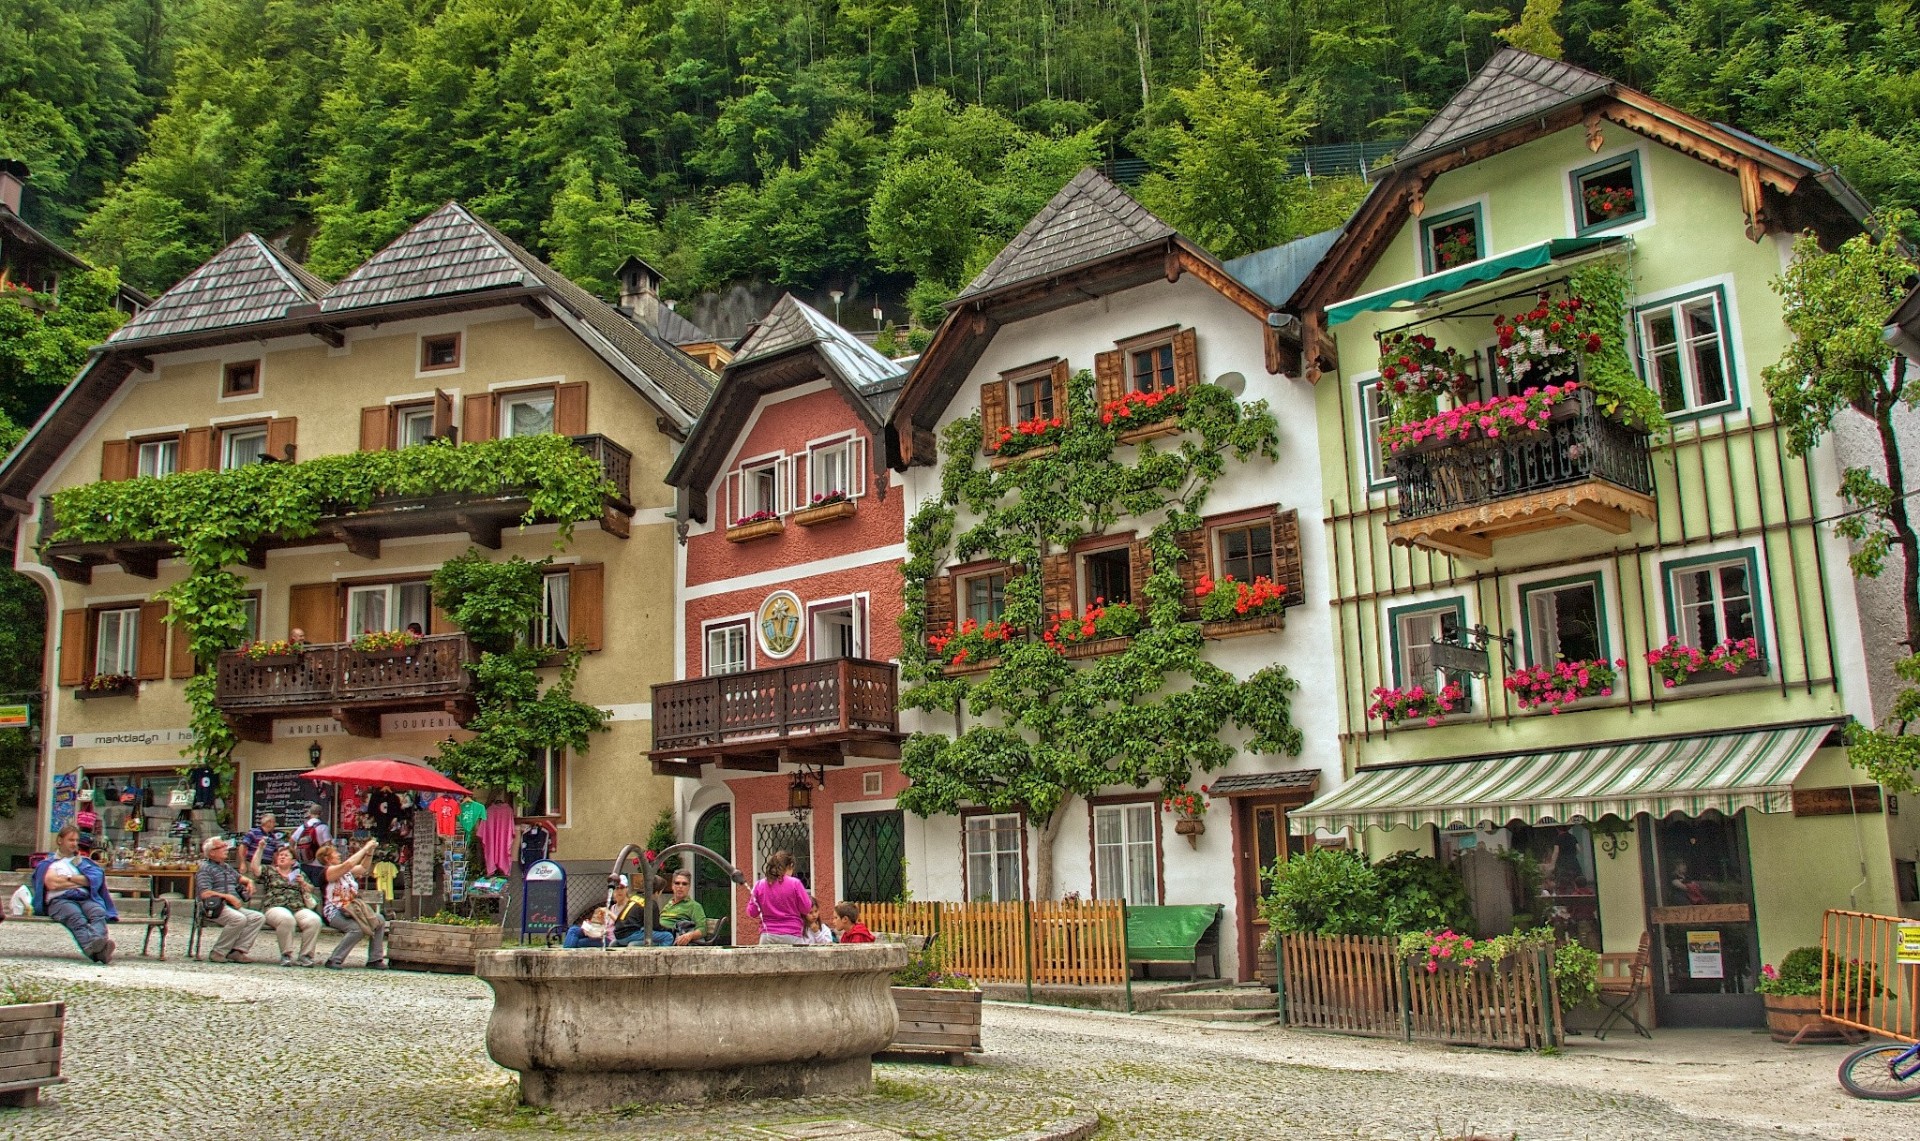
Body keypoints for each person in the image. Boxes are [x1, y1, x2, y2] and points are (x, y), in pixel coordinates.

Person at [32, 825, 116, 963]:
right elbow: (52, 884)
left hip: (83, 898)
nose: (75, 844)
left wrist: (68, 879)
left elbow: (94, 879)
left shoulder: (83, 863)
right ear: (60, 840)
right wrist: (81, 881)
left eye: (76, 840)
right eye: (71, 840)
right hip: (59, 900)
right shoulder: (50, 863)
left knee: (98, 911)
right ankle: (95, 950)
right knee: (75, 917)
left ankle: (97, 945)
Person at [316, 839, 387, 969]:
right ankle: (334, 959)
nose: (338, 854)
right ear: (327, 858)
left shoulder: (346, 872)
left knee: (380, 920)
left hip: (353, 909)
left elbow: (363, 868)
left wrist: (369, 852)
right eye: (335, 853)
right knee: (356, 929)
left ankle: (375, 959)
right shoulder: (327, 871)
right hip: (335, 912)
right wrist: (365, 848)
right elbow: (348, 864)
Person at [196, 835, 266, 964]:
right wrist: (228, 897)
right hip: (215, 907)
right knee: (238, 918)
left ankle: (237, 951)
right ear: (212, 852)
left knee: (257, 917)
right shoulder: (205, 869)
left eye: (225, 845)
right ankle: (218, 952)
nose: (226, 848)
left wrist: (249, 881)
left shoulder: (225, 867)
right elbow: (204, 893)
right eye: (221, 846)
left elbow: (240, 878)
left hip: (232, 906)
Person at [251, 841, 322, 966]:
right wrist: (260, 848)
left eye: (286, 855)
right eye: (280, 855)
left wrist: (303, 883)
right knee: (286, 919)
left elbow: (311, 889)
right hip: (275, 907)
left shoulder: (298, 874)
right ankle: (286, 955)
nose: (282, 857)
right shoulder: (270, 870)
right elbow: (255, 869)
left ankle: (305, 956)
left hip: (298, 907)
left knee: (314, 920)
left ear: (293, 861)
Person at [747, 850, 811, 946]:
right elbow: (806, 909)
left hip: (767, 936)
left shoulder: (759, 885)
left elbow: (752, 912)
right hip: (792, 935)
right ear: (791, 865)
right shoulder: (795, 883)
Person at [653, 870, 708, 946]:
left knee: (635, 944)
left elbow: (703, 929)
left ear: (689, 887)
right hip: (657, 935)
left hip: (670, 939)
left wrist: (689, 935)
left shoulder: (694, 906)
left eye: (684, 884)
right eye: (677, 883)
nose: (680, 886)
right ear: (672, 886)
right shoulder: (668, 904)